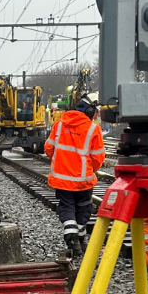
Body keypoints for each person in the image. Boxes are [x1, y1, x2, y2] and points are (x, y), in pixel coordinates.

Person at [44, 95, 105, 256]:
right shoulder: (93, 129)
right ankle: (80, 239)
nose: (97, 115)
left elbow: (49, 148)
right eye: (96, 112)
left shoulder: (60, 124)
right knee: (84, 208)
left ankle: (73, 239)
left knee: (67, 207)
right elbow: (98, 158)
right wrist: (89, 169)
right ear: (90, 110)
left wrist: (60, 163)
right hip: (83, 181)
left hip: (62, 180)